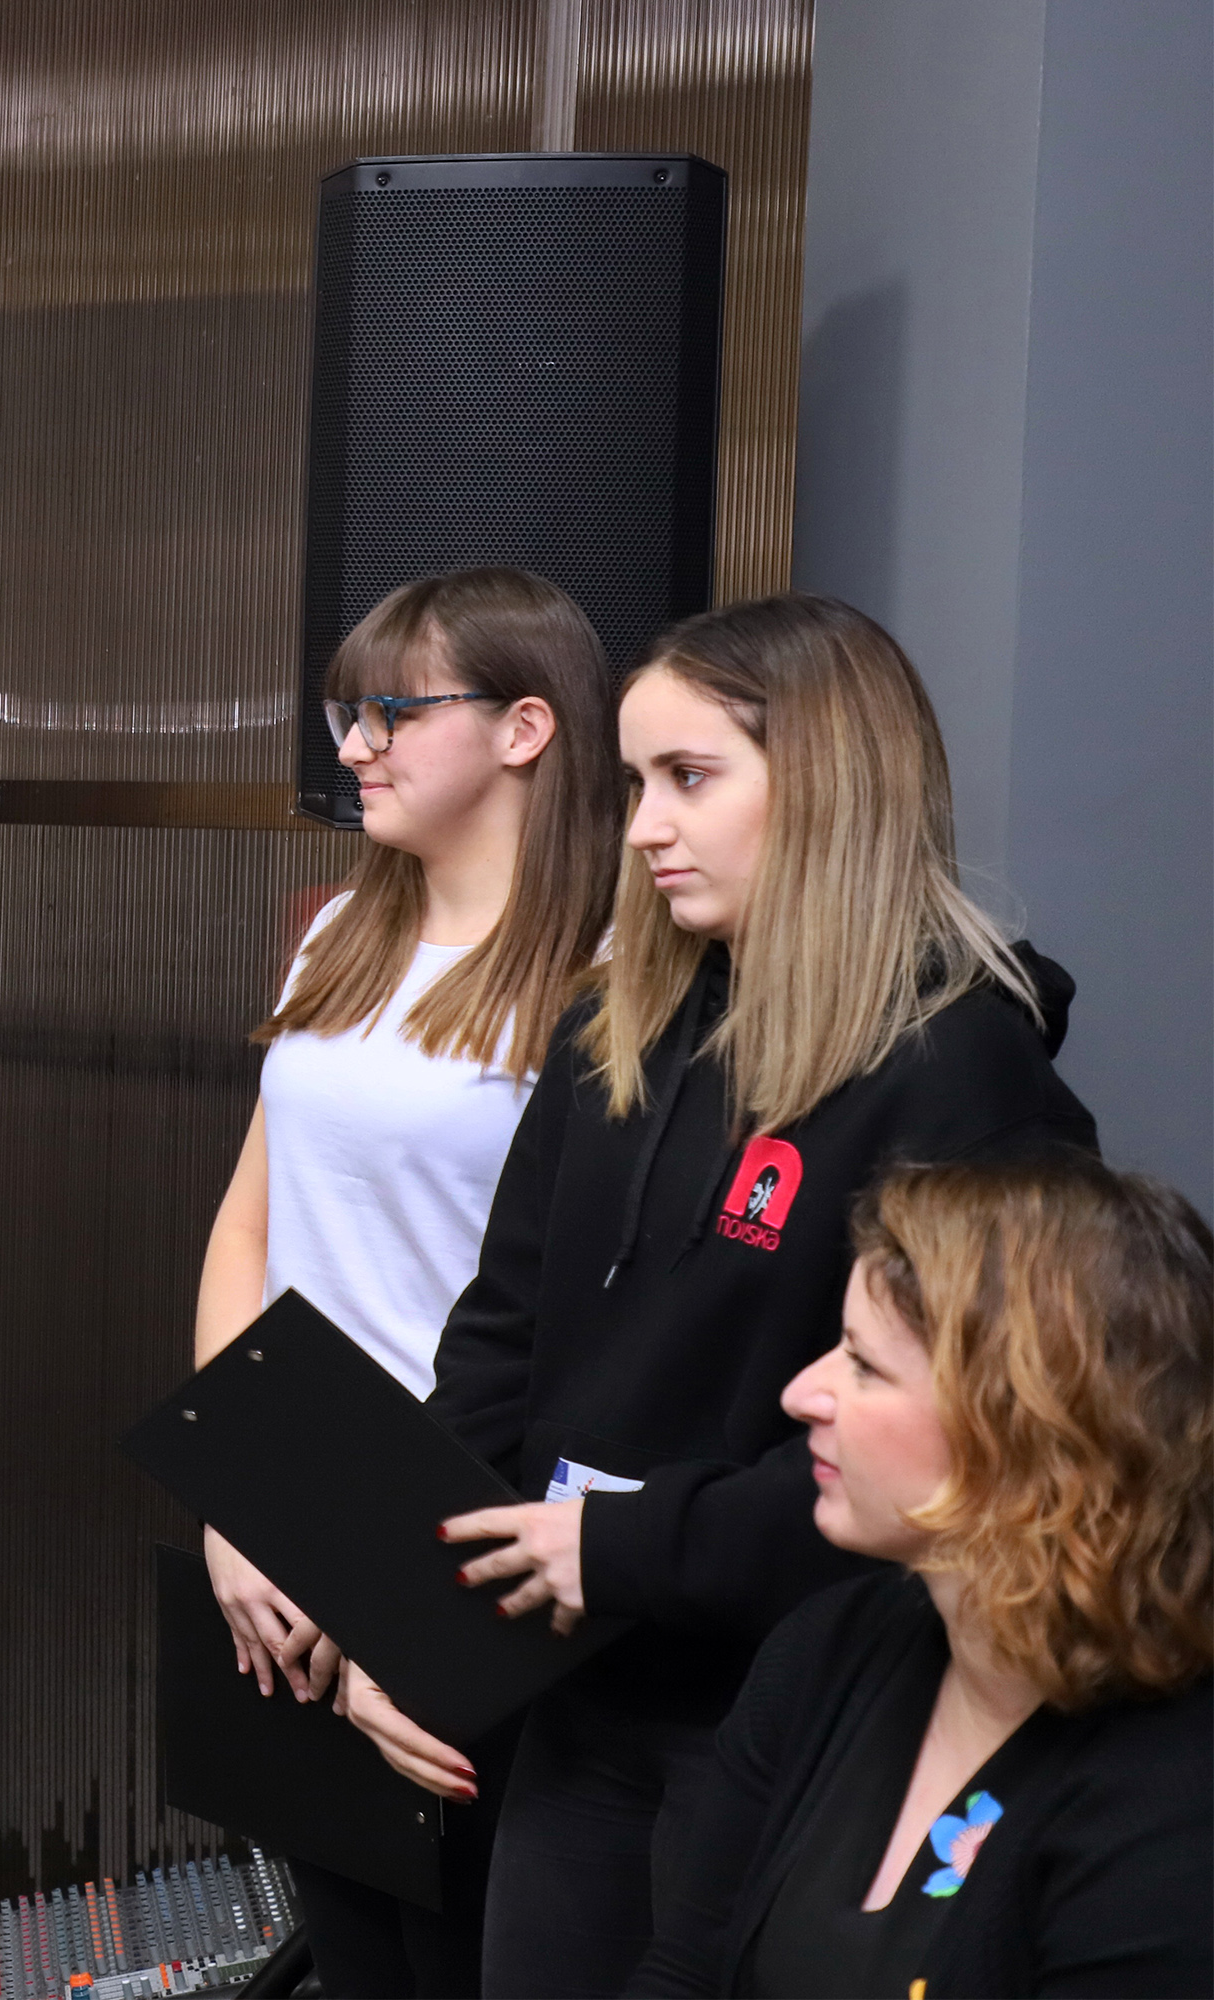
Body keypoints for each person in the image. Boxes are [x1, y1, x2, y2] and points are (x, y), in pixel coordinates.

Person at [342, 594, 1098, 1996]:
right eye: (637, 781)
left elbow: (960, 1440)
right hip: (577, 1702)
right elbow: (498, 1342)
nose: (643, 827)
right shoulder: (610, 1027)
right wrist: (411, 1610)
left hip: (795, 1720)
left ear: (828, 786)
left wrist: (627, 1547)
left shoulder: (961, 1076)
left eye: (689, 778)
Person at [192, 568, 620, 1995]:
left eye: (391, 712)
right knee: (354, 1942)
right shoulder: (341, 934)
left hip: (469, 1537)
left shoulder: (612, 976)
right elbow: (250, 1225)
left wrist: (401, 1578)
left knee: (463, 1951)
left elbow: (581, 1327)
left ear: (524, 729)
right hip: (295, 1510)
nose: (356, 747)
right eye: (347, 716)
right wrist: (236, 1499)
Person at [634, 1153, 1214, 1995]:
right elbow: (685, 1972)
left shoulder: (1172, 1801)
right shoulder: (823, 1654)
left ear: (1025, 1430)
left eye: (864, 1366)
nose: (802, 1394)